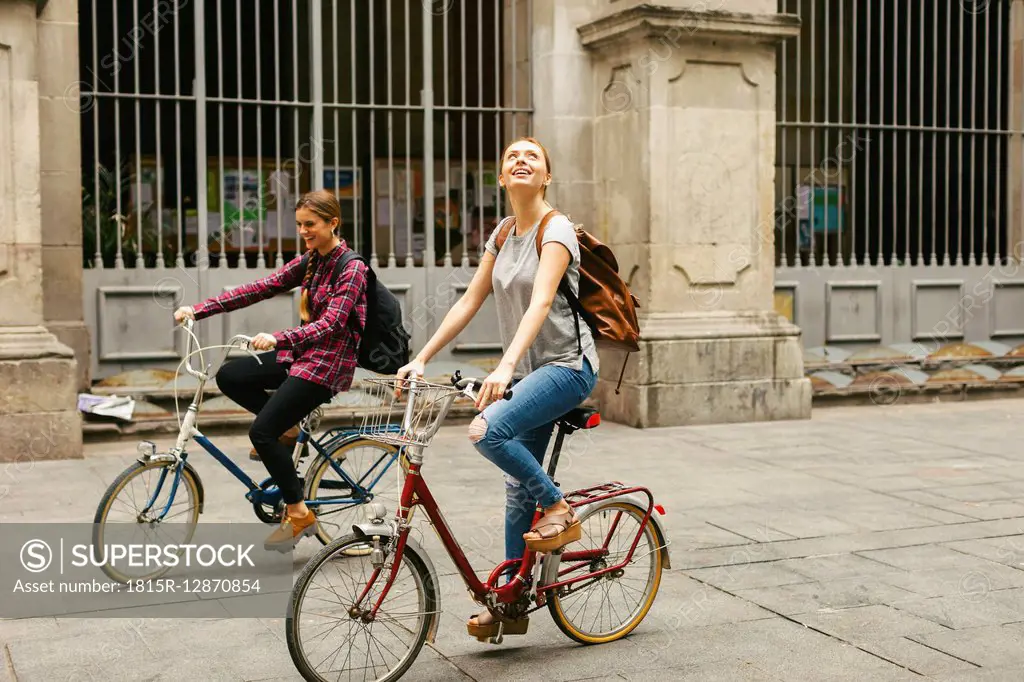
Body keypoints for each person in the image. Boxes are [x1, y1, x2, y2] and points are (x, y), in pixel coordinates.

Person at [395, 137, 599, 637]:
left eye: (533, 157)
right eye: (512, 157)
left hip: (568, 366)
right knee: (513, 491)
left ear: (546, 177)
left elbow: (539, 303)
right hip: (531, 371)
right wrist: (420, 357)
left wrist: (504, 368)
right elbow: (469, 301)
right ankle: (512, 600)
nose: (522, 161)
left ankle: (557, 507)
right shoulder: (505, 231)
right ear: (503, 179)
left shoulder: (557, 232)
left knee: (487, 431)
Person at [172, 189, 369, 551]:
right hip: (299, 356)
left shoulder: (352, 267)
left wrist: (279, 338)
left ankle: (298, 512)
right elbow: (259, 288)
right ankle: (289, 429)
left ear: (333, 222)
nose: (304, 231)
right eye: (299, 224)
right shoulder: (312, 261)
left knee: (262, 432)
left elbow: (333, 323)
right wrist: (198, 310)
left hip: (329, 364)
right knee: (230, 376)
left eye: (310, 224)